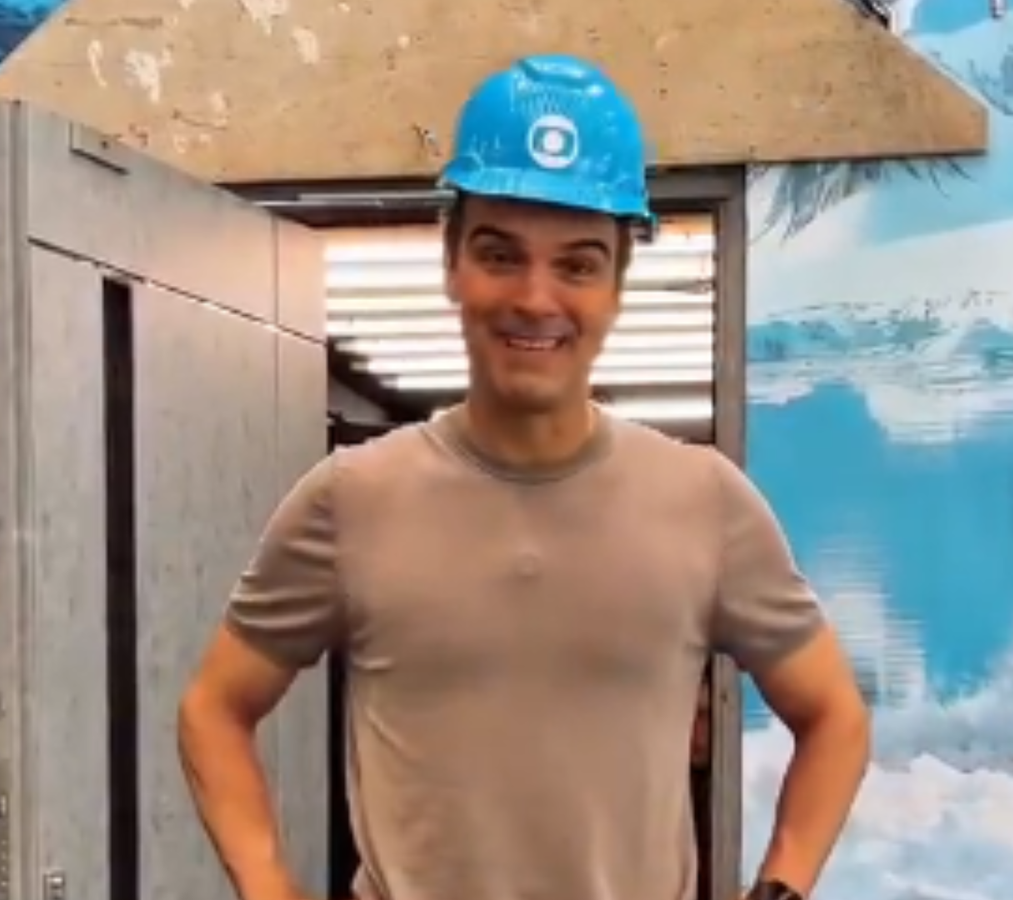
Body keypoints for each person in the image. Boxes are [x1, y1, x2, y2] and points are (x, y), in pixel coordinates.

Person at [177, 53, 870, 900]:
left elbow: (834, 716)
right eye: (500, 255)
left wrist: (780, 889)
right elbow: (214, 709)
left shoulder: (706, 502)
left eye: (577, 263)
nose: (536, 298)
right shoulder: (349, 501)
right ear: (451, 266)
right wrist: (267, 885)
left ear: (616, 286)